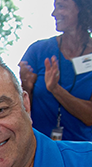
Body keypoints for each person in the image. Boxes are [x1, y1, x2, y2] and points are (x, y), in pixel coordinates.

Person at [19, 0, 92, 141]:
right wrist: (25, 87)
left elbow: (89, 117)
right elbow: (21, 111)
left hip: (80, 153)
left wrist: (55, 89)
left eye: (61, 6)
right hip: (38, 147)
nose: (54, 13)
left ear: (82, 9)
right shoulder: (38, 51)